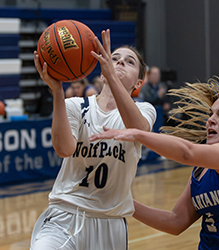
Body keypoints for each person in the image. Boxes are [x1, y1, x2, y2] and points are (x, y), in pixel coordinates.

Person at [90, 77, 219, 250]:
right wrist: (124, 201)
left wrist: (138, 134)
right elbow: (176, 222)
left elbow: (187, 153)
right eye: (211, 114)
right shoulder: (201, 170)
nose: (211, 120)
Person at [30, 29, 156, 250]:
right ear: (100, 73)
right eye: (114, 58)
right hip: (65, 215)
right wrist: (58, 92)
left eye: (129, 62)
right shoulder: (75, 106)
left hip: (110, 222)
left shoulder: (144, 110)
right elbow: (64, 149)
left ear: (138, 82)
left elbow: (138, 129)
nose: (118, 63)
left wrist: (111, 73)